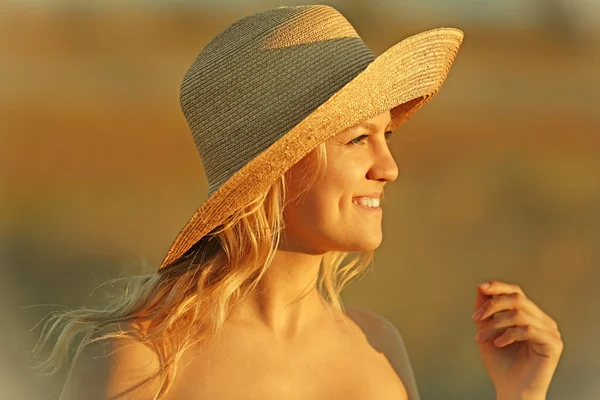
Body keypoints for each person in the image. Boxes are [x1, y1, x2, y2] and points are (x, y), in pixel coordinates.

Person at [33, 5, 563, 400]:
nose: (389, 167)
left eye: (388, 137)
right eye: (358, 139)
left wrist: (521, 395)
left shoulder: (378, 347)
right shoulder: (143, 362)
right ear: (278, 167)